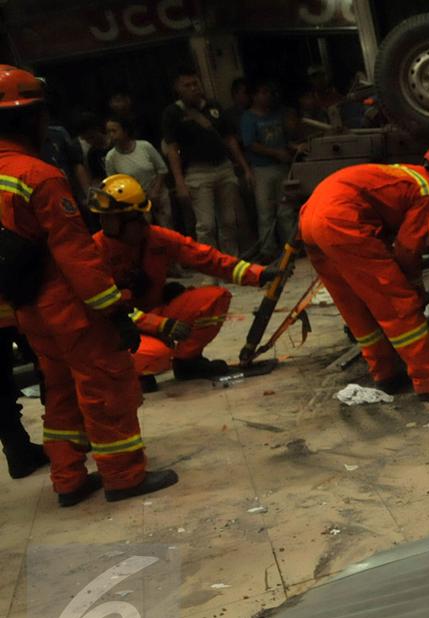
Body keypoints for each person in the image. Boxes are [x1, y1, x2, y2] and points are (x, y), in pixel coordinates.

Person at [0, 65, 177, 504]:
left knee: (59, 393)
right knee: (106, 388)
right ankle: (124, 476)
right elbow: (76, 257)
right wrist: (115, 313)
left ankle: (69, 480)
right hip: (67, 307)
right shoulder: (37, 176)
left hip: (27, 310)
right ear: (28, 118)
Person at [298, 140, 429, 401]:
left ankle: (385, 374)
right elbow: (407, 246)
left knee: (355, 307)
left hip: (310, 220)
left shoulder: (403, 172)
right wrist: (412, 283)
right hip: (340, 222)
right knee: (398, 304)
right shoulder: (427, 189)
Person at [86, 175, 279, 391]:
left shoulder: (157, 239)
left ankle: (188, 362)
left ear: (133, 217)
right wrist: (161, 325)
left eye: (108, 218)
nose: (103, 223)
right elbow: (109, 310)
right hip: (119, 327)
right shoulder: (94, 252)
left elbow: (206, 258)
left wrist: (259, 274)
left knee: (214, 298)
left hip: (152, 313)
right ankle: (126, 372)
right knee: (157, 356)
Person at [163, 67, 254, 256]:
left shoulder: (213, 107)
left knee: (229, 221)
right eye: (187, 85)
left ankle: (231, 262)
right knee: (206, 225)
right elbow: (172, 148)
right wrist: (179, 181)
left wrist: (245, 168)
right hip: (197, 172)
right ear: (178, 88)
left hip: (223, 166)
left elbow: (229, 139)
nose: (193, 88)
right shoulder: (173, 113)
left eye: (195, 83)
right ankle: (210, 267)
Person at [240, 80, 298, 261]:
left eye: (268, 92)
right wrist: (275, 153)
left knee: (286, 210)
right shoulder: (248, 118)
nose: (267, 96)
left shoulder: (278, 114)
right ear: (254, 96)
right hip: (262, 169)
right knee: (265, 211)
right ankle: (268, 250)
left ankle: (291, 247)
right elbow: (250, 144)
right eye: (263, 92)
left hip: (282, 167)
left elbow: (286, 137)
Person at [1, 307, 47, 478]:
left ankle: (18, 452)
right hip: (14, 311)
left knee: (2, 390)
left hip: (11, 313)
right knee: (49, 368)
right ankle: (67, 443)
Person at [104, 115, 172, 229]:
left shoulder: (144, 146)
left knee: (167, 228)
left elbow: (162, 169)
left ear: (125, 131)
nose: (111, 135)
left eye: (114, 131)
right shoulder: (110, 157)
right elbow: (114, 184)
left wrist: (155, 191)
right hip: (134, 201)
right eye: (108, 131)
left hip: (158, 193)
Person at [73, 111, 109, 183]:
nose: (89, 142)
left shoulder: (115, 144)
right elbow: (97, 178)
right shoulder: (92, 154)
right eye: (86, 139)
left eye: (91, 137)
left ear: (97, 129)